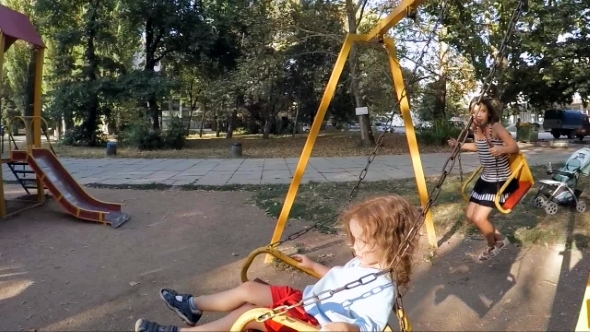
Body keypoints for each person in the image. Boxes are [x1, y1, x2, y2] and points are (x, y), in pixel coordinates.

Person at [134, 195, 422, 332]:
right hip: (304, 301)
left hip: (312, 323)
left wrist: (345, 329)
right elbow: (337, 278)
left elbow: (368, 326)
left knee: (249, 314)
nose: (353, 245)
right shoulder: (363, 264)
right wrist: (312, 266)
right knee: (249, 289)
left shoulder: (382, 287)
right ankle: (192, 306)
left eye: (360, 240)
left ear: (389, 243)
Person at [448, 98, 519, 261]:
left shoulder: (495, 127)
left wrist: (501, 149)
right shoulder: (476, 129)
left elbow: (514, 147)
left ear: (489, 112)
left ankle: (492, 246)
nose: (478, 115)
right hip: (486, 179)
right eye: (474, 112)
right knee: (470, 216)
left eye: (482, 111)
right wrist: (459, 145)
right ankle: (500, 239)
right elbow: (478, 146)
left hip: (500, 181)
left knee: (480, 218)